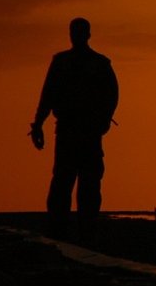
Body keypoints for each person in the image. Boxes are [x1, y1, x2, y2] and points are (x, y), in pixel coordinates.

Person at [30, 17, 118, 242]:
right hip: (70, 131)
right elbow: (47, 96)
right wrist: (38, 124)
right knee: (63, 183)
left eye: (79, 32)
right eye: (74, 32)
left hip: (87, 132)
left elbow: (111, 95)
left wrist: (103, 121)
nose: (76, 36)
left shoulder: (99, 64)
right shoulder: (63, 62)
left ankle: (84, 232)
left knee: (86, 184)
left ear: (87, 34)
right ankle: (61, 232)